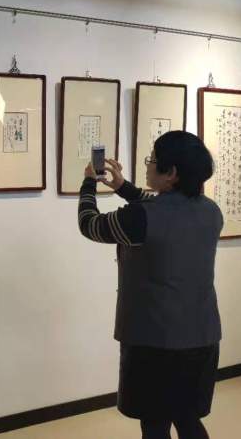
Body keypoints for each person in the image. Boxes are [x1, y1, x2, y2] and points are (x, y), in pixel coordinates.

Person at [77, 131, 223, 439]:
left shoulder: (140, 218)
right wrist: (123, 187)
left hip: (154, 342)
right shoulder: (211, 211)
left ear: (171, 173)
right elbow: (163, 206)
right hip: (202, 338)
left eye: (153, 160)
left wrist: (89, 182)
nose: (148, 165)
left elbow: (90, 224)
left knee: (155, 424)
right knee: (188, 419)